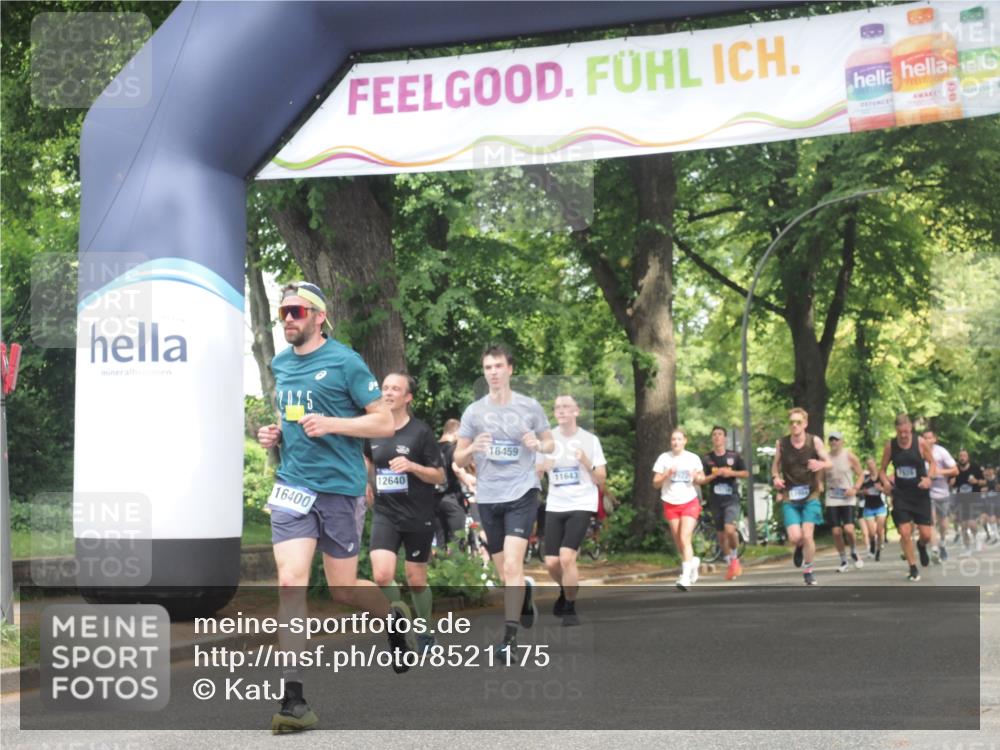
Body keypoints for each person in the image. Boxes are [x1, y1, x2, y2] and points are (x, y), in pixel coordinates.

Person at [256, 281, 411, 734]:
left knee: (343, 589)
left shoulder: (346, 361)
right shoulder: (281, 363)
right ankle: (295, 699)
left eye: (297, 312)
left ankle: (391, 614)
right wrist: (276, 435)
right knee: (291, 581)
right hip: (293, 486)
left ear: (319, 317)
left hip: (340, 489)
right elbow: (293, 418)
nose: (288, 319)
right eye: (283, 312)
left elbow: (382, 421)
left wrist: (333, 424)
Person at [453, 344, 554, 656]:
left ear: (510, 369)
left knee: (511, 564)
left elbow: (550, 444)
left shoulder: (529, 407)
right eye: (488, 368)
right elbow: (457, 456)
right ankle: (523, 593)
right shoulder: (474, 412)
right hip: (489, 497)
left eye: (498, 366)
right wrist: (472, 449)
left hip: (522, 492)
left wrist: (537, 443)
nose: (493, 372)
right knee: (504, 573)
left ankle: (508, 640)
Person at [365, 373, 445, 654]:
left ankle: (425, 633)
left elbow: (438, 475)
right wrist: (367, 481)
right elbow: (367, 457)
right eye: (385, 388)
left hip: (417, 513)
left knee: (416, 578)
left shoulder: (420, 432)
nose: (388, 393)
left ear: (407, 397)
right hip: (386, 513)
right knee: (382, 576)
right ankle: (401, 629)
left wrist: (413, 467)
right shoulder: (374, 429)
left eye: (395, 389)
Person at [538, 394, 607, 626]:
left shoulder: (589, 440)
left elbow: (601, 480)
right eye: (557, 407)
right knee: (551, 563)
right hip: (555, 504)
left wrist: (587, 462)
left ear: (576, 411)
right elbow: (534, 474)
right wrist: (541, 467)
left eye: (567, 406)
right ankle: (565, 591)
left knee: (567, 557)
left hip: (581, 504)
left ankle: (570, 607)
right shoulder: (547, 440)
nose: (562, 411)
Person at [771, 408, 831, 586]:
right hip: (790, 495)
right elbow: (776, 466)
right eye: (791, 422)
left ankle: (809, 570)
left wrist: (820, 463)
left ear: (805, 424)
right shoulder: (781, 443)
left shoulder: (814, 441)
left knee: (807, 534)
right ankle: (798, 547)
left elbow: (829, 462)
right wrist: (776, 478)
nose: (794, 425)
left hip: (810, 494)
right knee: (795, 537)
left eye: (798, 422)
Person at [878, 414, 937, 582]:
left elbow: (932, 463)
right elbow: (882, 470)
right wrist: (885, 482)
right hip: (901, 494)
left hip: (920, 493)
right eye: (900, 432)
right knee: (905, 532)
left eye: (906, 432)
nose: (903, 436)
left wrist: (929, 479)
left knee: (925, 534)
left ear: (910, 428)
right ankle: (912, 567)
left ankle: (921, 545)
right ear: (896, 430)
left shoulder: (920, 443)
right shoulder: (891, 445)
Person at [653, 428, 706, 591]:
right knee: (679, 541)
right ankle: (693, 563)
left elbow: (702, 479)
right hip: (670, 502)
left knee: (684, 537)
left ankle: (685, 577)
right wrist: (666, 474)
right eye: (673, 440)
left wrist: (696, 477)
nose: (676, 442)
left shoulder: (693, 458)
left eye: (679, 439)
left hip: (689, 501)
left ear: (685, 441)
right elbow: (655, 483)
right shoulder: (664, 458)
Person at [699, 425, 748, 581]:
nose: (717, 437)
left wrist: (730, 473)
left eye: (720, 434)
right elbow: (701, 480)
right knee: (721, 536)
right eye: (714, 435)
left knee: (729, 530)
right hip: (715, 500)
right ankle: (730, 564)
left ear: (725, 438)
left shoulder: (734, 456)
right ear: (712, 438)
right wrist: (713, 476)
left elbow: (746, 473)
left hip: (731, 499)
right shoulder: (707, 459)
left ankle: (734, 557)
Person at [824, 432, 864, 572]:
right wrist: (819, 486)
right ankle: (843, 559)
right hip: (832, 497)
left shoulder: (849, 455)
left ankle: (853, 550)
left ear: (842, 441)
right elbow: (818, 476)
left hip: (847, 496)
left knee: (848, 529)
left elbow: (861, 475)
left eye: (836, 440)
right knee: (835, 531)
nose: (834, 442)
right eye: (831, 440)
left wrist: (855, 488)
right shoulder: (825, 458)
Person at [921, 429, 959, 562]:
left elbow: (955, 470)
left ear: (935, 439)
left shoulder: (941, 452)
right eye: (924, 438)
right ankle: (934, 549)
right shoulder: (919, 453)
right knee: (931, 520)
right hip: (926, 493)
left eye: (929, 438)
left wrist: (939, 471)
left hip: (942, 492)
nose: (927, 440)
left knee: (943, 523)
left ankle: (942, 543)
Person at [434, 418, 468, 549]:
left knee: (439, 540)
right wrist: (470, 484)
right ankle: (454, 568)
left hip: (433, 499)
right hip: (451, 498)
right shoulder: (453, 448)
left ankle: (436, 569)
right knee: (456, 539)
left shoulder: (432, 448)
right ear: (456, 432)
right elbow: (457, 469)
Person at [953, 449, 984, 555]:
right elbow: (952, 484)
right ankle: (967, 549)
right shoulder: (955, 469)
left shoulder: (975, 468)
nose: (962, 458)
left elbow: (984, 482)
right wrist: (951, 482)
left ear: (968, 457)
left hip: (973, 498)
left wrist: (976, 481)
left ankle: (977, 536)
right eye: (960, 456)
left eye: (964, 456)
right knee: (963, 526)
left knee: (971, 523)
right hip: (960, 500)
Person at [859, 457, 888, 561]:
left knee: (879, 531)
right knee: (872, 533)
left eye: (872, 463)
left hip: (880, 506)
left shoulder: (881, 477)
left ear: (875, 464)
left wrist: (881, 489)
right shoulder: (865, 478)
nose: (870, 466)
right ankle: (872, 545)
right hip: (868, 507)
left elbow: (888, 490)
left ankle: (878, 551)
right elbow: (858, 490)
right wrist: (863, 492)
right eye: (868, 464)